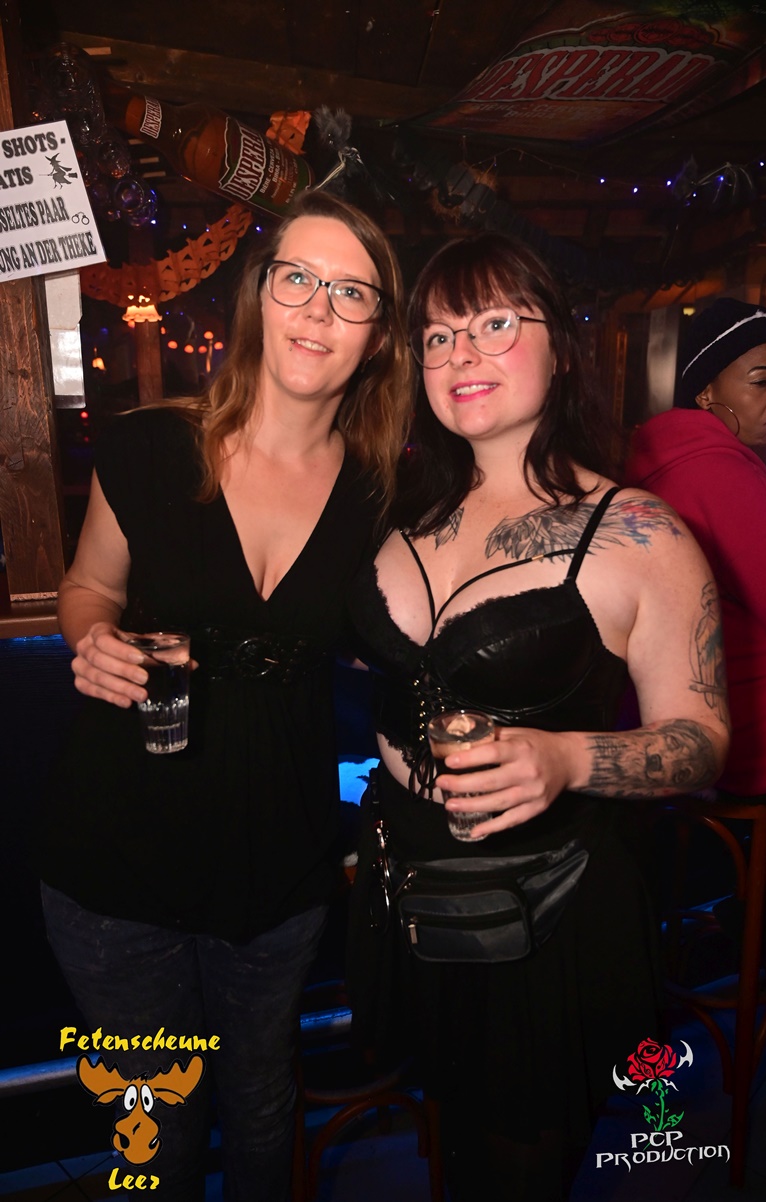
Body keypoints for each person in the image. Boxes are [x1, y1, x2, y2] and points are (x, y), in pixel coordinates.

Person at [38, 189, 412, 1202]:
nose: (318, 309)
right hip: (116, 853)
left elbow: (408, 638)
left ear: (379, 335)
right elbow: (88, 586)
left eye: (351, 293)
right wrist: (91, 638)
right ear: (258, 296)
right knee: (157, 1117)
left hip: (276, 858)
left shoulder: (385, 494)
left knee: (259, 1100)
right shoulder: (149, 448)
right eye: (298, 278)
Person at [346, 232, 730, 1201]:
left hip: (546, 910)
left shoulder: (638, 532)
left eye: (493, 324)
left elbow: (702, 741)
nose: (460, 354)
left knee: (518, 1164)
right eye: (437, 336)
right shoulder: (395, 511)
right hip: (405, 886)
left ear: (560, 347)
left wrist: (566, 757)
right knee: (447, 1140)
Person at [626, 297, 766, 980]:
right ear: (705, 390)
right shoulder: (717, 473)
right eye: (760, 380)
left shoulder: (665, 459)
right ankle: (762, 937)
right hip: (761, 740)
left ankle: (745, 927)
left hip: (690, 726)